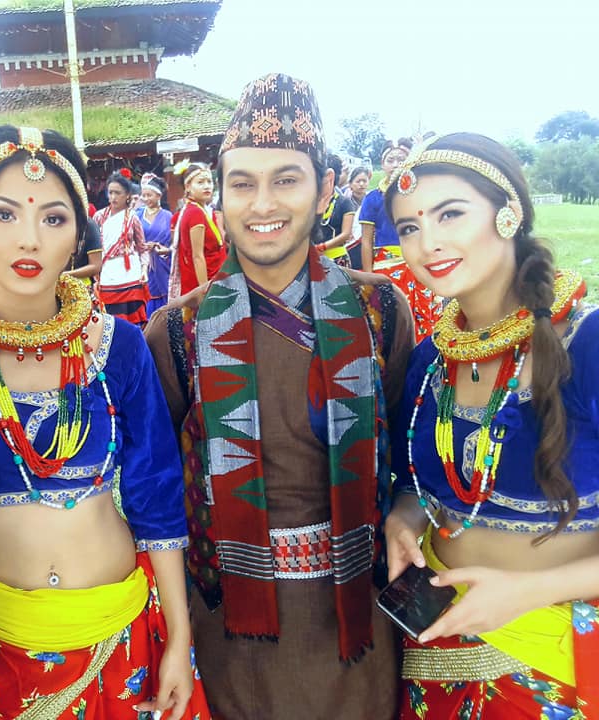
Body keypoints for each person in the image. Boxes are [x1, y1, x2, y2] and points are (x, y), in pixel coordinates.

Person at [0, 125, 212, 720]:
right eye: (4, 214)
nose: (28, 238)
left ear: (79, 234)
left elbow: (156, 496)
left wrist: (179, 637)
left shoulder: (120, 346)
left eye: (53, 218)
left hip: (121, 637)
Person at [145, 72, 415, 719]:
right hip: (233, 629)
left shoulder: (380, 310)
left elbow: (409, 460)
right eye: (242, 183)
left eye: (286, 180)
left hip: (358, 621)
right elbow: (158, 498)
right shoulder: (178, 331)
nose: (262, 203)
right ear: (219, 195)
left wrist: (407, 510)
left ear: (324, 188)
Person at [382, 133, 599, 719]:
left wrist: (528, 591)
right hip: (435, 645)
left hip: (549, 659)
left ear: (509, 213)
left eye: (450, 214)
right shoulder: (430, 361)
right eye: (408, 227)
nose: (428, 243)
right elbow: (418, 485)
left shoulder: (588, 344)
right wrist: (406, 517)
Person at [360, 140, 442, 342]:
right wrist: (368, 277)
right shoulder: (373, 198)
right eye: (390, 160)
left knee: (424, 315)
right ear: (382, 164)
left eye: (401, 160)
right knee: (391, 319)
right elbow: (366, 241)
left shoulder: (419, 196)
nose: (395, 164)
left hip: (418, 261)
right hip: (387, 266)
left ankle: (424, 354)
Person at [92, 171, 150, 325]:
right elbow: (93, 248)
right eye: (110, 192)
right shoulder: (99, 217)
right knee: (110, 320)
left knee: (132, 322)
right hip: (108, 275)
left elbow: (142, 248)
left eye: (117, 193)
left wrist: (144, 269)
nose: (113, 197)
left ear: (127, 195)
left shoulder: (133, 218)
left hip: (130, 276)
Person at [167, 161, 225, 300]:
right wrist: (205, 292)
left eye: (209, 181)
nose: (207, 186)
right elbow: (197, 256)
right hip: (206, 283)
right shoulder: (195, 213)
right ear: (188, 186)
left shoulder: (204, 210)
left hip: (216, 277)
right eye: (200, 182)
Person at [136, 174, 174, 316]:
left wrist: (161, 247)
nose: (146, 199)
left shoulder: (168, 216)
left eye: (149, 195)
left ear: (159, 196)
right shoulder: (137, 215)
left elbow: (174, 243)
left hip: (162, 263)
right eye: (144, 195)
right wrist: (142, 246)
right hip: (142, 262)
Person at [316, 154, 358, 267]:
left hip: (337, 258)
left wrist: (321, 247)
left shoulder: (344, 202)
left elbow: (346, 234)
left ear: (331, 177)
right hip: (313, 257)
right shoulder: (310, 201)